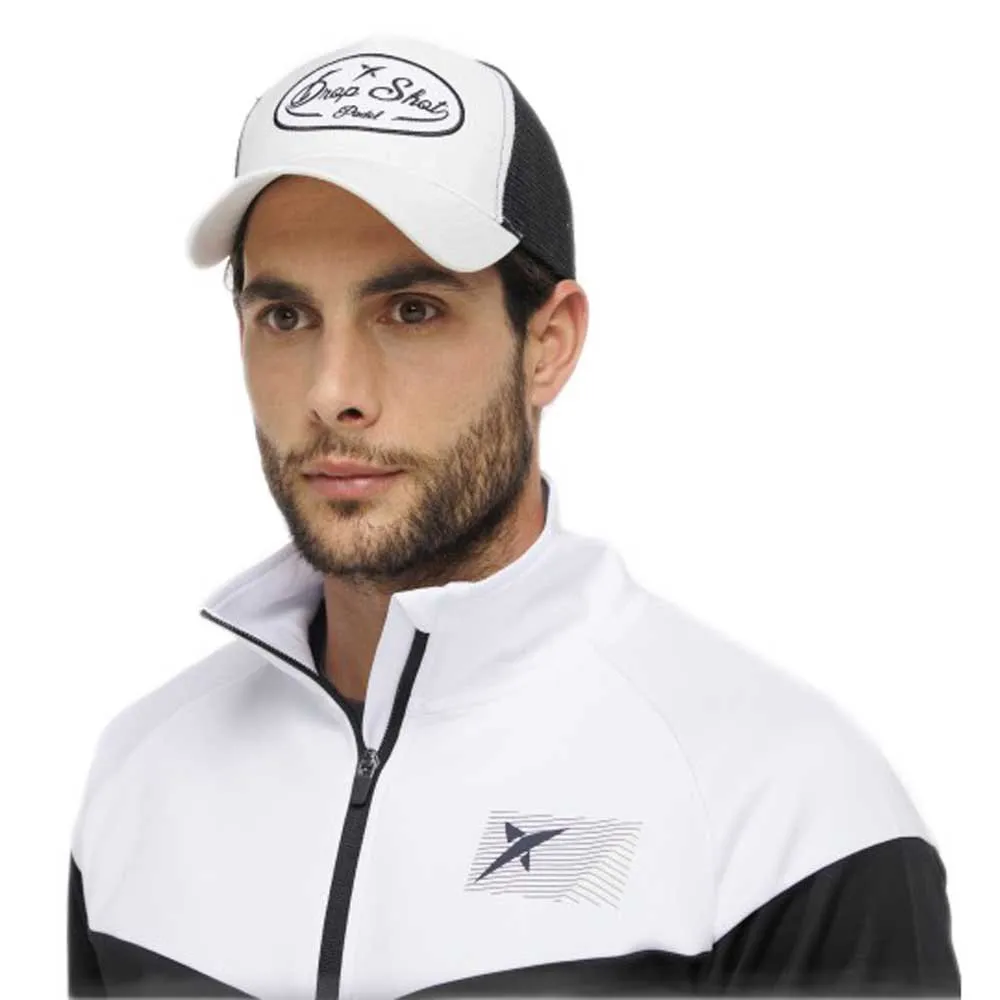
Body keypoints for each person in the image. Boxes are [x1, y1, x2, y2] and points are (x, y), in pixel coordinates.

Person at [67, 33, 961, 999]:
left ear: (549, 344)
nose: (333, 393)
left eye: (412, 310)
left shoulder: (783, 805)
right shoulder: (144, 775)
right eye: (285, 317)